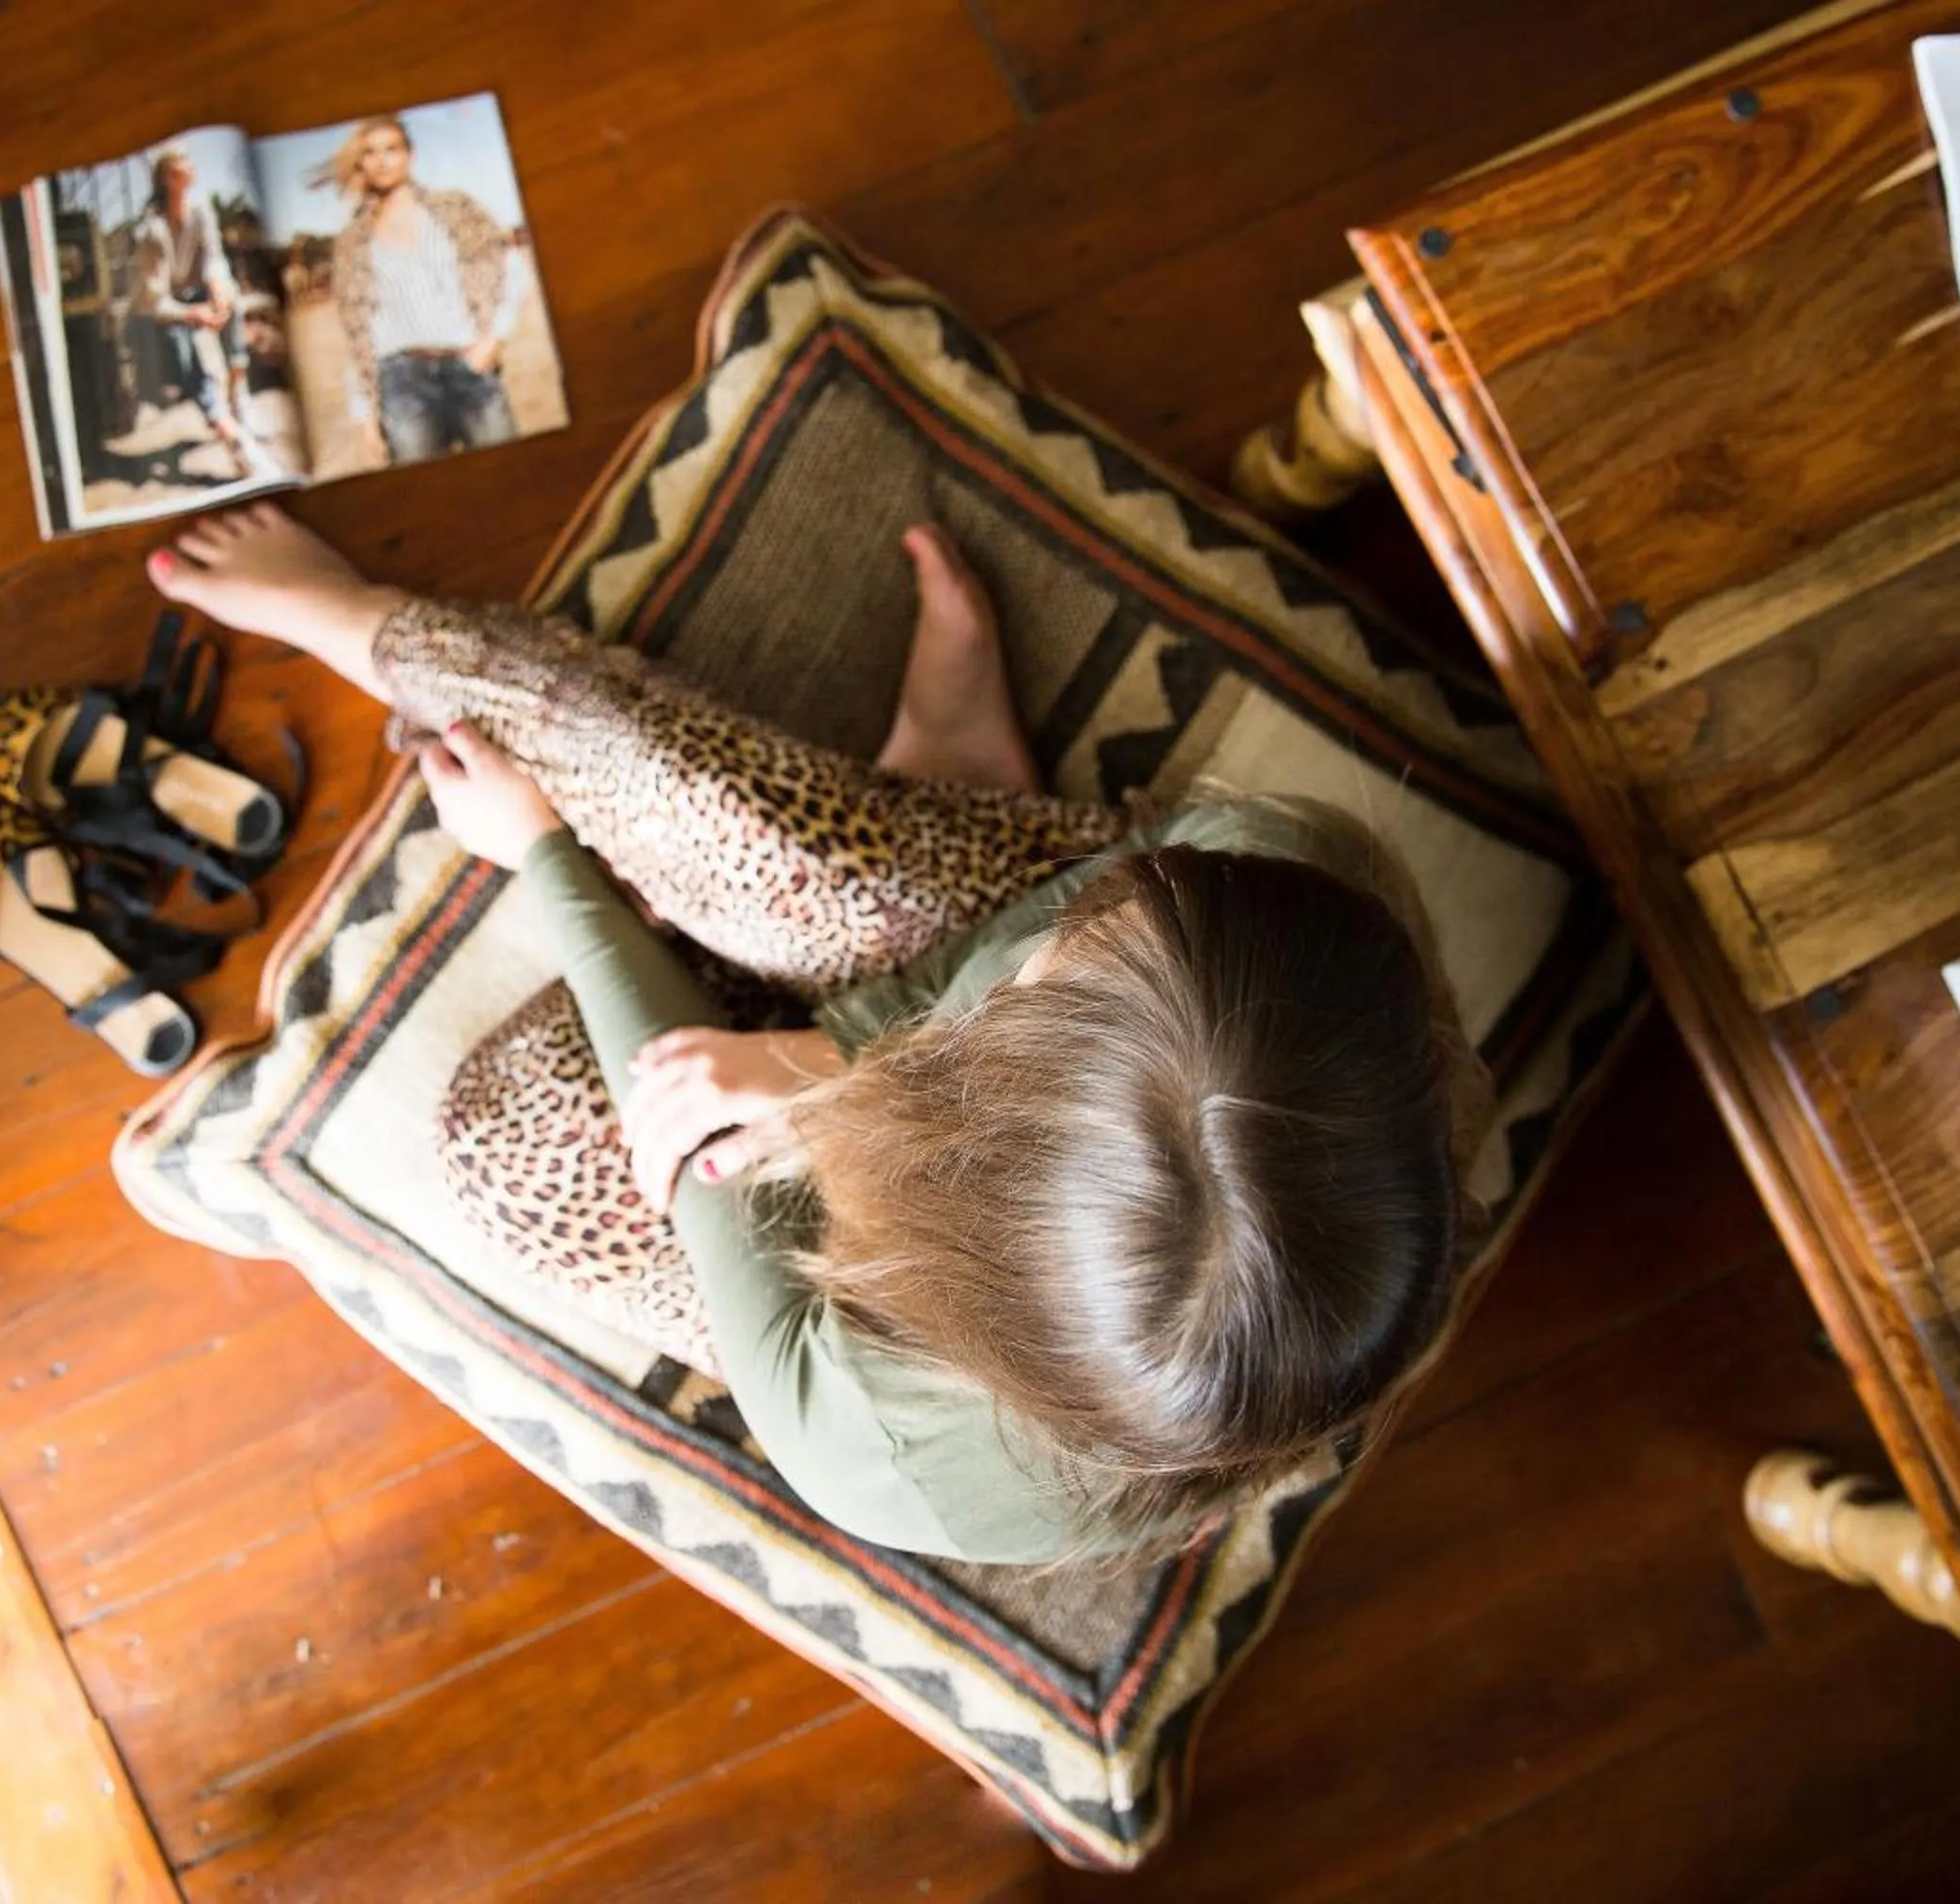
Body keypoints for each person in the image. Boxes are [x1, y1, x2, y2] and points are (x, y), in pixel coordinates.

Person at [142, 505, 1491, 1565]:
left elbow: (695, 1153)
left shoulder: (883, 1444)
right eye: (1083, 945)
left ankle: (926, 806)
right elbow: (1019, 944)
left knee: (514, 1138)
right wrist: (839, 1063)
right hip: (950, 1000)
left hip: (877, 1217)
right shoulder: (1265, 884)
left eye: (1020, 996)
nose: (1025, 962)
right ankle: (385, 629)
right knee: (783, 848)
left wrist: (551, 861)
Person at [314, 116, 527, 463]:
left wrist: (495, 339)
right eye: (370, 153)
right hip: (401, 383)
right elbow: (358, 333)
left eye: (391, 149)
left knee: (514, 474)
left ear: (409, 154)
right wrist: (365, 418)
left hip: (469, 367)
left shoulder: (455, 208)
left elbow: (511, 267)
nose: (382, 160)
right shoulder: (352, 241)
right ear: (360, 163)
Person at [127, 149, 272, 480]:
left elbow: (214, 258)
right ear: (166, 179)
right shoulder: (150, 230)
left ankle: (238, 389)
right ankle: (230, 434)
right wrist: (195, 315)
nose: (188, 173)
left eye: (189, 166)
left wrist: (218, 285)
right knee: (186, 358)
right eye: (179, 169)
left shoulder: (201, 212)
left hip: (195, 292)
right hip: (164, 309)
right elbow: (155, 300)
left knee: (231, 298)